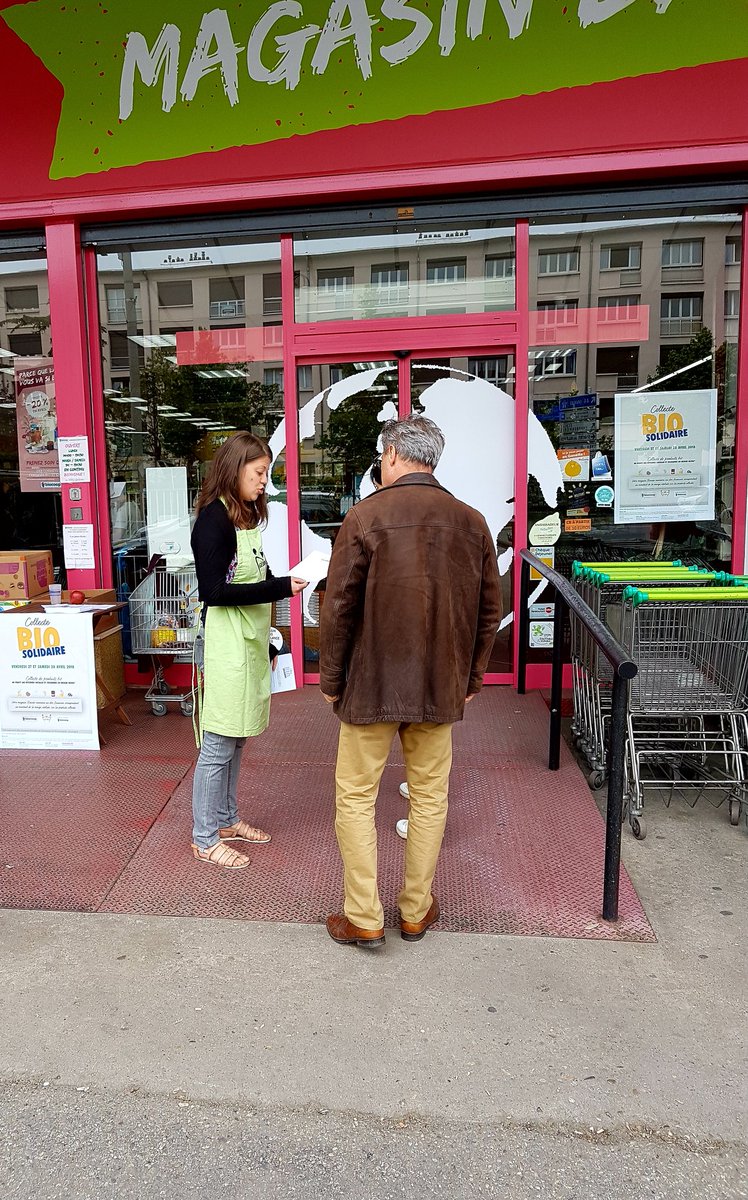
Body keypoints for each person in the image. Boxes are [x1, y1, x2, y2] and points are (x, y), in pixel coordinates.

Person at [320, 414, 502, 948]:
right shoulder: (472, 522)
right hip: (439, 685)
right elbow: (488, 612)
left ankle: (364, 916)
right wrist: (471, 676)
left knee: (356, 797)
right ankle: (416, 911)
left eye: (383, 455)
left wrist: (331, 679)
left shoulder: (364, 516)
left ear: (393, 455)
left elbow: (338, 608)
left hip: (369, 684)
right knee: (429, 797)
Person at [190, 432, 308, 870]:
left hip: (250, 642)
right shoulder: (213, 521)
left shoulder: (244, 519)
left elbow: (261, 576)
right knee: (218, 742)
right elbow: (215, 592)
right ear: (235, 469)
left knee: (237, 736)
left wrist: (288, 589)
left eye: (266, 473)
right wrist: (281, 588)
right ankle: (204, 838)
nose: (264, 482)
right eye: (259, 472)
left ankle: (226, 820)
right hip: (226, 646)